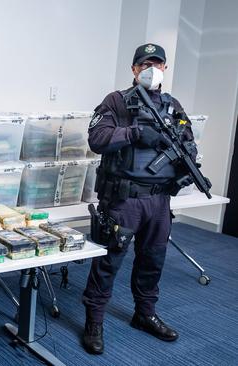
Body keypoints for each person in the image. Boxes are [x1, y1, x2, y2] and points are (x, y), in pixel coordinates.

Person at [82, 43, 197, 355]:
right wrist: (133, 134)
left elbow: (188, 142)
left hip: (160, 201)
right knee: (109, 260)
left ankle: (145, 314)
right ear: (133, 69)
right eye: (145, 64)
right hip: (124, 199)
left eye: (157, 64)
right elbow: (97, 139)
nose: (152, 69)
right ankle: (94, 321)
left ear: (165, 68)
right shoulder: (117, 102)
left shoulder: (173, 106)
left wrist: (186, 169)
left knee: (153, 261)